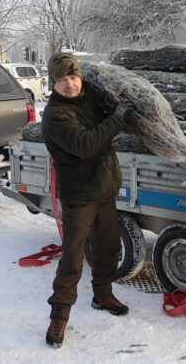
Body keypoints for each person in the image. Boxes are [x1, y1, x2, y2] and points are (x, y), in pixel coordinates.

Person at [40, 52, 134, 348]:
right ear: (53, 84)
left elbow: (105, 110)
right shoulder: (56, 114)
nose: (70, 84)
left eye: (74, 77)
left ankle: (102, 294)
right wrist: (117, 120)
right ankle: (59, 315)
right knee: (72, 257)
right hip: (80, 196)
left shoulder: (88, 100)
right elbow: (85, 144)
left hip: (104, 190)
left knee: (107, 248)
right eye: (62, 79)